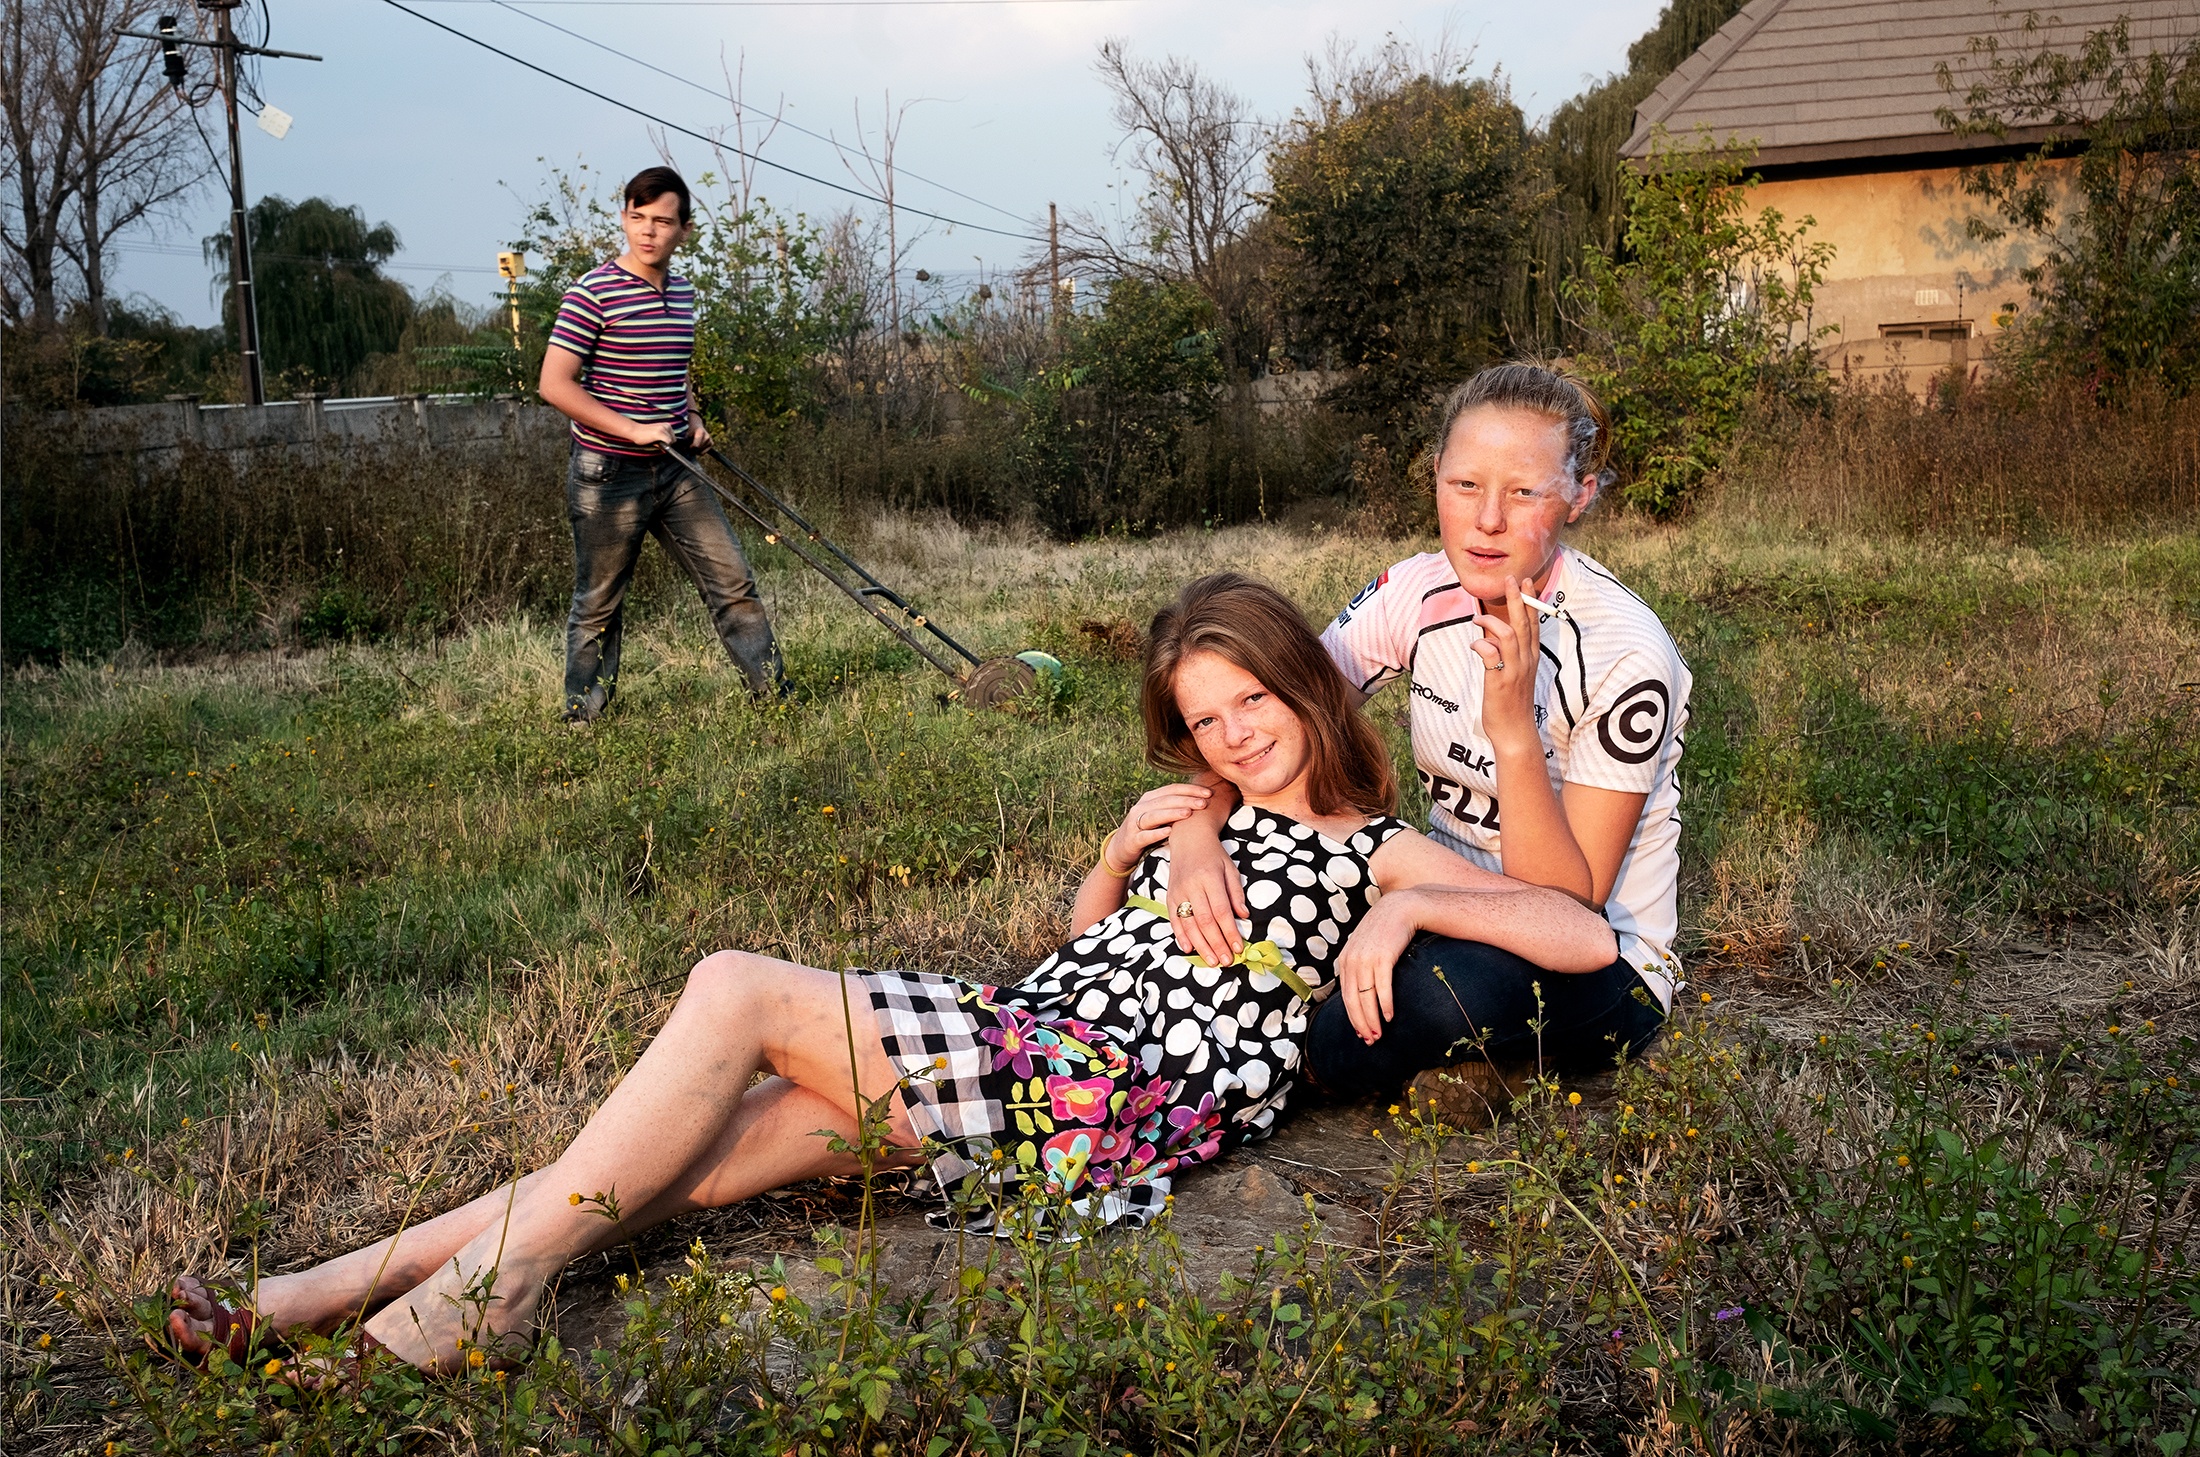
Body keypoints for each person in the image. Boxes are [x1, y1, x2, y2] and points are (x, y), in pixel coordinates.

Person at [163, 572, 1617, 1377]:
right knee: (689, 1156)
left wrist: (1387, 921)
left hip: (1095, 1095)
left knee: (734, 985)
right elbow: (1088, 944)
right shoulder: (1197, 816)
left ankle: (492, 1293)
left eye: (1254, 700)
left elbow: (1581, 932)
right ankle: (329, 1288)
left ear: (1308, 680)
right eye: (1203, 718)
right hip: (1044, 1043)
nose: (1236, 734)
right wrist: (1122, 851)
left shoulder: (1378, 847)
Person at [1164, 364, 1692, 1099]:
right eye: (1465, 485)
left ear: (1579, 495)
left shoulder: (1625, 652)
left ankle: (1365, 1064)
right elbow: (1267, 717)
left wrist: (1512, 735)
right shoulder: (1414, 588)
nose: (1487, 521)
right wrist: (1195, 829)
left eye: (1524, 491)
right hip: (1447, 896)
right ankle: (1457, 1060)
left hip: (1595, 954)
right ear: (1435, 475)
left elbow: (1572, 906)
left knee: (1427, 999)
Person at [540, 166, 785, 721]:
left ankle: (776, 699)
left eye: (662, 221)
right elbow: (554, 384)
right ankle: (583, 719)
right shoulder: (592, 293)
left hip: (675, 468)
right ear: (625, 216)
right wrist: (631, 429)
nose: (647, 231)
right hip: (608, 475)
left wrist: (692, 414)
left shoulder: (681, 292)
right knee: (599, 604)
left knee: (734, 584)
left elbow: (676, 368)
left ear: (684, 230)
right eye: (638, 217)